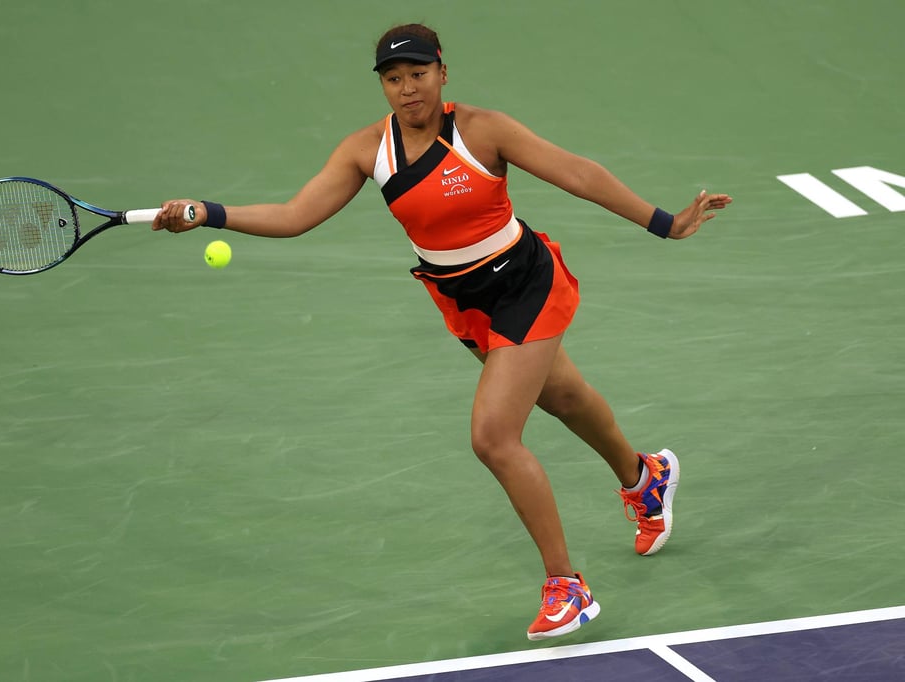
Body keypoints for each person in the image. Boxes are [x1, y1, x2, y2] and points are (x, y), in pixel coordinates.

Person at [152, 23, 732, 641]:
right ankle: (646, 479)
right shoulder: (365, 151)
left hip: (525, 283)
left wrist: (664, 223)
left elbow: (579, 174)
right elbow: (296, 216)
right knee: (561, 397)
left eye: (418, 75)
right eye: (394, 79)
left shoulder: (483, 131)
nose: (408, 90)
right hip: (463, 299)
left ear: (442, 73)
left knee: (493, 437)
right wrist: (209, 213)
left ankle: (568, 587)